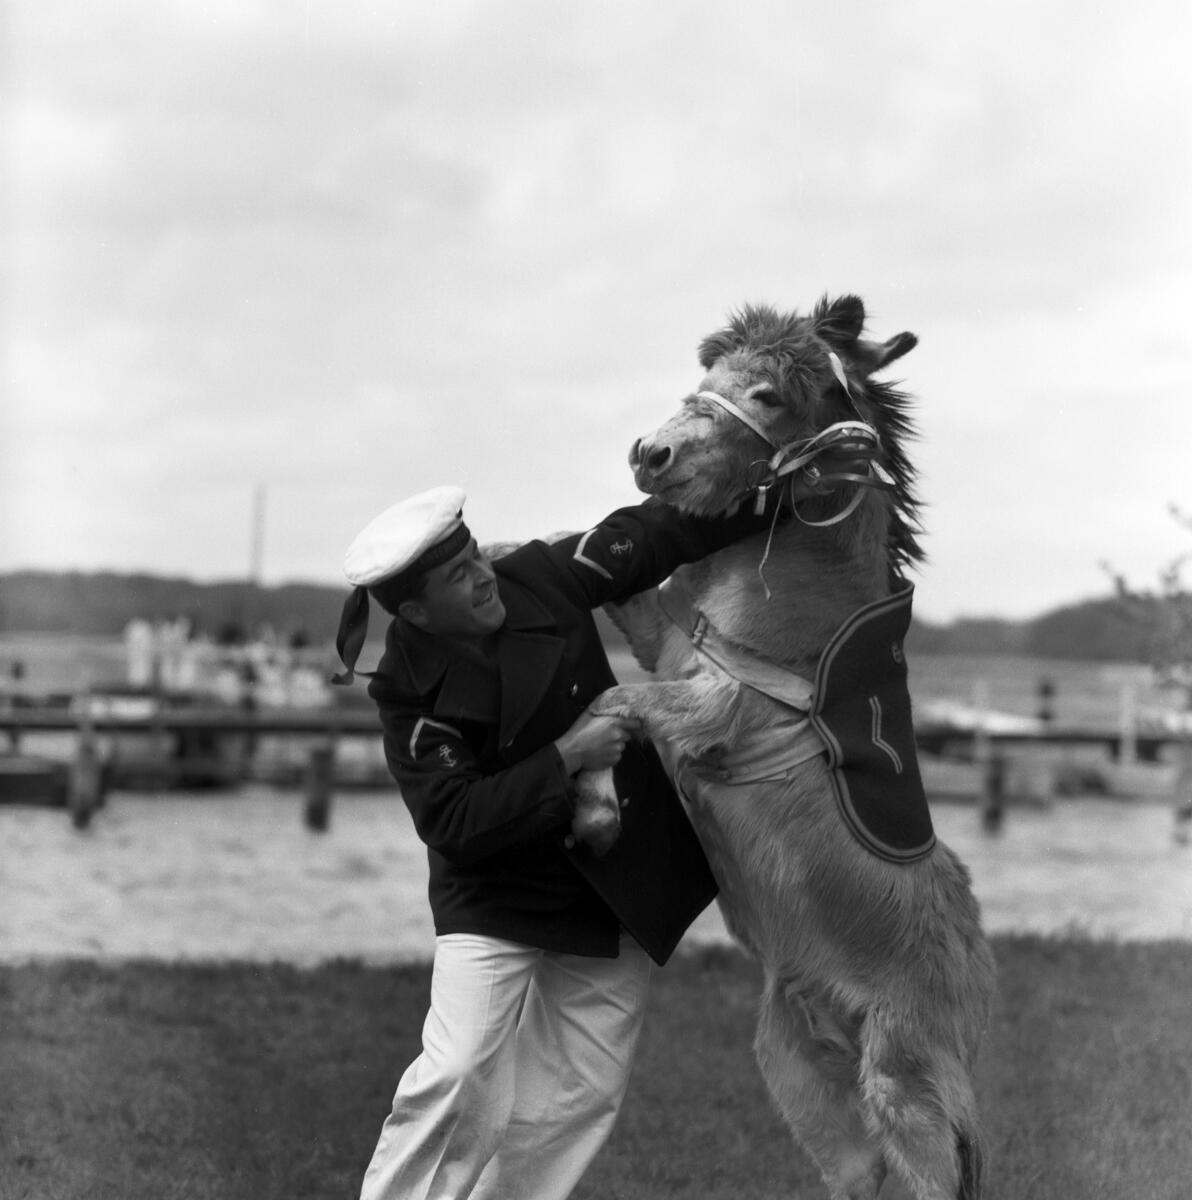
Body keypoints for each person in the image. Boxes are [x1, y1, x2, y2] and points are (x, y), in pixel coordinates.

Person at [333, 484, 792, 1200]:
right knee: (459, 1074)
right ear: (417, 613)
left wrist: (775, 494)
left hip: (612, 878)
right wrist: (567, 756)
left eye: (474, 558)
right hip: (492, 893)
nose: (485, 577)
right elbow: (455, 819)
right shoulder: (405, 689)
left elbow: (651, 533)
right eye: (459, 578)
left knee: (576, 1095)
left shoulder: (540, 578)